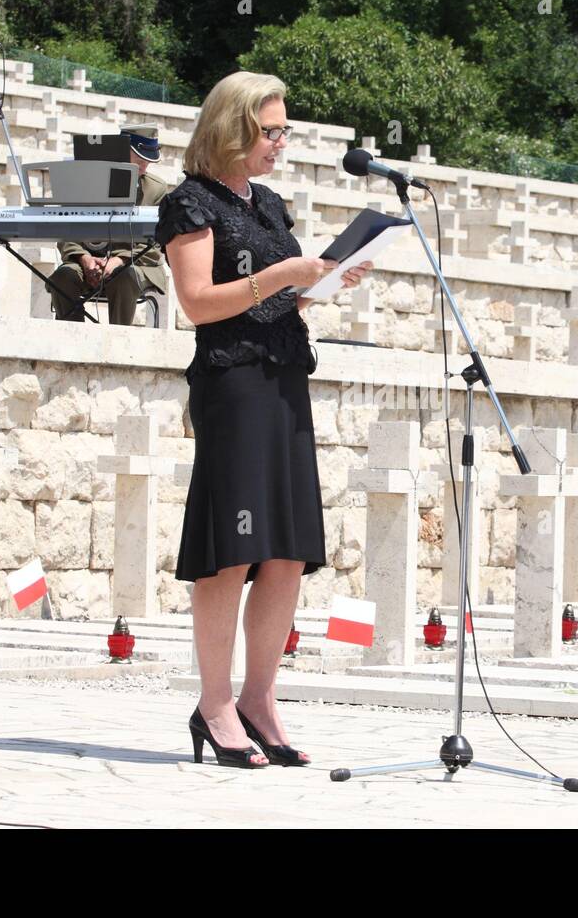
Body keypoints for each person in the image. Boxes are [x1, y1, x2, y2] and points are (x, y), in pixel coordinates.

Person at [157, 71, 372, 768]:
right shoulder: (190, 204)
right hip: (232, 384)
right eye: (271, 130)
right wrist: (284, 275)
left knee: (285, 548)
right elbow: (198, 302)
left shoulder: (271, 204)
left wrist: (327, 281)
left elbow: (280, 304)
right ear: (234, 129)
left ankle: (260, 699)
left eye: (284, 130)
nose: (281, 142)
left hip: (284, 376)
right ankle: (214, 703)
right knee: (235, 547)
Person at [48, 124, 169, 324]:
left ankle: (118, 344)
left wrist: (116, 261)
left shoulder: (155, 189)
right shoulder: (83, 183)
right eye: (139, 161)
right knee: (63, 276)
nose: (144, 167)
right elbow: (67, 230)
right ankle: (74, 339)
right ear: (121, 153)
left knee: (124, 276)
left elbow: (154, 242)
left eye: (147, 162)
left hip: (136, 263)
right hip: (88, 261)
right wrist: (84, 259)